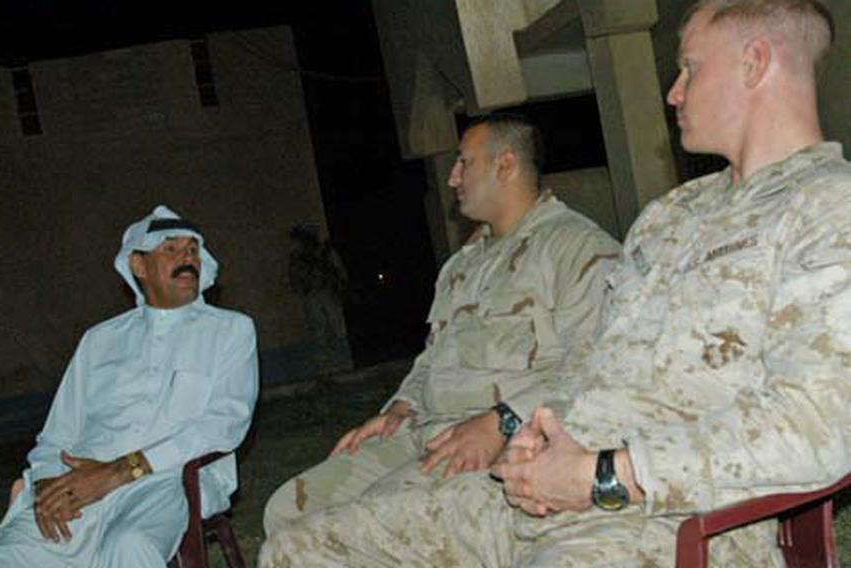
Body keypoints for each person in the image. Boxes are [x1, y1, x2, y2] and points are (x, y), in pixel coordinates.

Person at [258, 1, 851, 566]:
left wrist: (603, 474)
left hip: (671, 521)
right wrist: (528, 435)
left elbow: (821, 426)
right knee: (299, 549)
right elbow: (589, 364)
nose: (673, 90)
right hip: (536, 498)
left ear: (755, 63)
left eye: (690, 68)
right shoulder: (669, 219)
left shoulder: (828, 208)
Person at [262, 113, 621, 534]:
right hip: (428, 431)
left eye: (464, 162)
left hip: (508, 440)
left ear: (505, 165)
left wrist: (501, 421)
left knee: (366, 526)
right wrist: (400, 407)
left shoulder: (576, 249)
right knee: (287, 511)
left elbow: (597, 366)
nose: (452, 178)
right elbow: (434, 357)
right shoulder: (462, 265)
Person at [0, 205, 259, 567]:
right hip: (82, 481)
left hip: (167, 481)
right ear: (138, 265)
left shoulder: (230, 330)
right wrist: (48, 485)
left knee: (130, 545)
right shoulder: (100, 340)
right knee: (12, 553)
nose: (186, 258)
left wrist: (120, 471)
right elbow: (58, 433)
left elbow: (225, 422)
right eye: (170, 249)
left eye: (192, 249)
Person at [287, 222, 352, 372]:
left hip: (328, 292)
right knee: (319, 329)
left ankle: (344, 362)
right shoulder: (299, 256)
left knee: (337, 326)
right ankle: (327, 365)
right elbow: (295, 277)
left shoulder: (324, 251)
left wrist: (340, 287)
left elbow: (339, 271)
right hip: (312, 294)